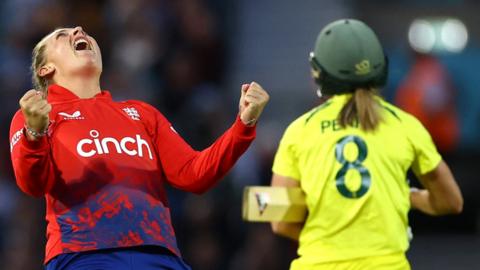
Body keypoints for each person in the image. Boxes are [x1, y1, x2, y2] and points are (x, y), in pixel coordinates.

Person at [9, 26, 269, 269]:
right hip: (85, 255)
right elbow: (32, 184)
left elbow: (193, 173)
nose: (78, 31)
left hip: (159, 254)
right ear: (46, 69)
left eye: (81, 31)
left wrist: (243, 125)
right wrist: (34, 133)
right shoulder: (36, 117)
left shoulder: (142, 113)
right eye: (61, 35)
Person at [269, 19, 463, 270]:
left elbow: (279, 220)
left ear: (320, 72)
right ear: (379, 66)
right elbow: (451, 202)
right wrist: (408, 196)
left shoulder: (298, 131)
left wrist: (331, 240)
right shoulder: (406, 125)